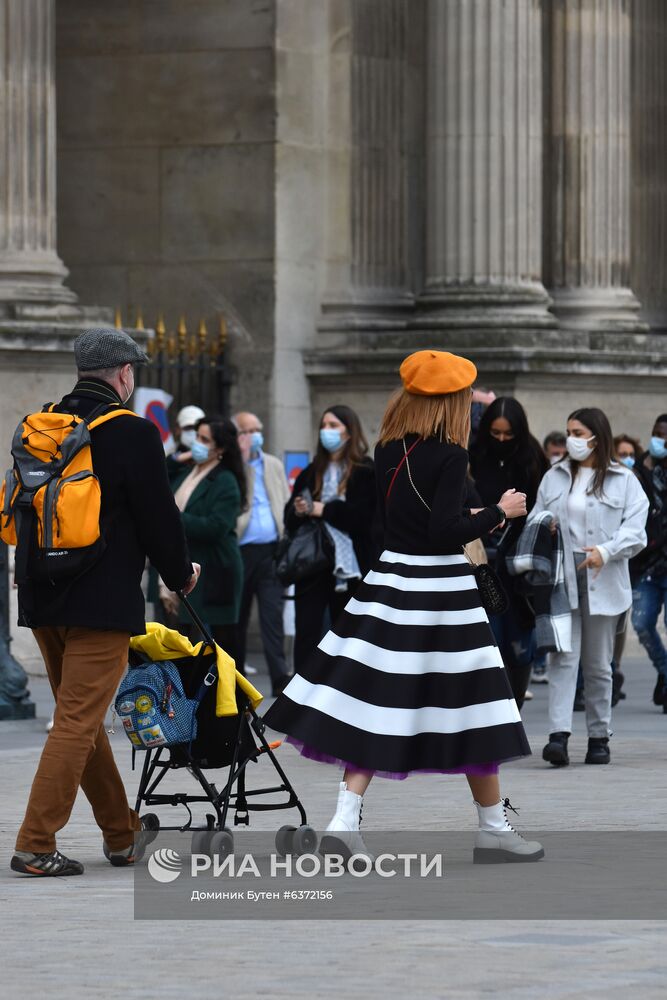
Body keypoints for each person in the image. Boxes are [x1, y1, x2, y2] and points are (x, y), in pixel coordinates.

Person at [264, 350, 544, 864]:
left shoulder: (391, 449)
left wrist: (475, 513)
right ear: (453, 401)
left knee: (375, 704)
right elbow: (443, 532)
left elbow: (418, 520)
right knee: (475, 706)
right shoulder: (451, 455)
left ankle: (345, 819)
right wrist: (498, 513)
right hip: (440, 592)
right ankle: (493, 828)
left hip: (392, 584)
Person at [10, 327, 200, 877]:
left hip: (43, 596)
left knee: (83, 720)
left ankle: (123, 836)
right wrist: (179, 574)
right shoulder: (133, 432)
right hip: (101, 599)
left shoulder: (44, 423)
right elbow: (158, 516)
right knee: (75, 721)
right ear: (124, 375)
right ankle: (35, 844)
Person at [530, 408, 648, 767]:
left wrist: (606, 551)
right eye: (568, 432)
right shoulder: (554, 476)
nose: (571, 439)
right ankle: (558, 737)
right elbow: (536, 515)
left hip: (604, 578)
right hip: (563, 578)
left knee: (598, 664)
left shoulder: (623, 480)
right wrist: (544, 523)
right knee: (563, 658)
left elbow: (636, 530)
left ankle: (599, 737)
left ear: (596, 436)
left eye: (578, 432)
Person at [285, 405, 376, 675]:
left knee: (349, 632)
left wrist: (324, 509)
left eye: (334, 426)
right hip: (313, 564)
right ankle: (301, 696)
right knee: (308, 632)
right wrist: (300, 510)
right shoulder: (313, 470)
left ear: (350, 431)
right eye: (324, 425)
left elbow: (365, 518)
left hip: (351, 566)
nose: (327, 431)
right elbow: (289, 518)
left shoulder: (365, 470)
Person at [469, 398, 548, 708]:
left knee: (518, 638)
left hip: (518, 557)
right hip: (481, 555)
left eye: (507, 435)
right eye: (495, 433)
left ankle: (514, 704)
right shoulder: (473, 454)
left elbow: (543, 502)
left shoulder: (532, 457)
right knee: (490, 634)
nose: (501, 440)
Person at [160, 417, 246, 671]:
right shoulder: (188, 471)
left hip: (216, 570)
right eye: (197, 436)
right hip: (187, 563)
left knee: (222, 646)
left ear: (220, 449)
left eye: (204, 439)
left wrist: (173, 517)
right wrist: (179, 458)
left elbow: (215, 527)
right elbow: (159, 474)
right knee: (183, 642)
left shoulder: (225, 480)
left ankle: (233, 706)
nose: (196, 443)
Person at [234, 410, 291, 695]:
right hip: (242, 551)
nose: (255, 435)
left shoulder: (273, 464)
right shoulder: (235, 465)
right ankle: (237, 675)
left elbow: (283, 499)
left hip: (271, 550)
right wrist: (241, 460)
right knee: (238, 618)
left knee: (272, 616)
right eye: (248, 430)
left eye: (257, 429)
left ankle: (280, 677)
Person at [630, 414, 667, 710]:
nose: (660, 441)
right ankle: (665, 672)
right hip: (647, 564)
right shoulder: (636, 472)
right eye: (657, 434)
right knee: (641, 623)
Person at [166, 404, 205, 480]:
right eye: (188, 427)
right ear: (178, 429)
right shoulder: (167, 453)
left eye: (196, 428)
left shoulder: (213, 456)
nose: (193, 432)